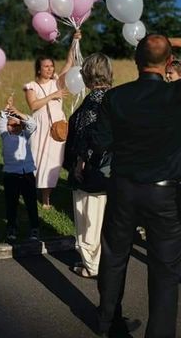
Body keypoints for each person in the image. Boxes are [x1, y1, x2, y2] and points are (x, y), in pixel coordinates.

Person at [90, 34, 181, 337]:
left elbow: (100, 142)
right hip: (163, 192)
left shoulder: (115, 97)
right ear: (169, 63)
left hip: (122, 187)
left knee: (114, 256)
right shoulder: (175, 95)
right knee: (165, 269)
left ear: (135, 61)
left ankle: (107, 322)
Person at [63, 53, 113, 280]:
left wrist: (78, 166)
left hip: (92, 171)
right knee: (106, 221)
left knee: (87, 220)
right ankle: (106, 261)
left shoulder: (92, 102)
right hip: (115, 171)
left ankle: (92, 265)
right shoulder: (116, 97)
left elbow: (86, 137)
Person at [23, 31, 80, 208]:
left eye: (51, 66)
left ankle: (46, 199)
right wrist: (53, 95)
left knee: (52, 161)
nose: (50, 69)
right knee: (36, 159)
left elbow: (70, 62)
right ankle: (30, 192)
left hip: (57, 128)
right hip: (40, 128)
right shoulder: (31, 86)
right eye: (46, 66)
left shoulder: (57, 81)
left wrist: (74, 42)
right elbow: (33, 106)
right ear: (39, 69)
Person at [0, 97, 40, 242]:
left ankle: (34, 228)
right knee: (11, 204)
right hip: (11, 175)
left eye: (16, 126)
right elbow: (1, 121)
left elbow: (32, 124)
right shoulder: (4, 135)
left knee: (31, 203)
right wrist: (7, 108)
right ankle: (12, 227)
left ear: (21, 126)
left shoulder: (25, 135)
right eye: (11, 125)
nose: (13, 128)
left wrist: (19, 113)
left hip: (27, 173)